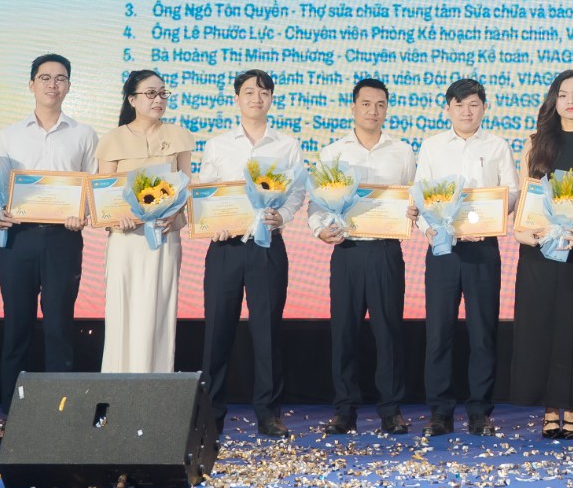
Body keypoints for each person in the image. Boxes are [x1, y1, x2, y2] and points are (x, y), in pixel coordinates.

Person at [195, 68, 303, 440]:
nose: (257, 99)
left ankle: (268, 414)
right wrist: (212, 224)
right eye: (249, 92)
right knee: (217, 331)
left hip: (267, 245)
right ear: (236, 98)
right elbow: (206, 192)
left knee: (267, 331)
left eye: (264, 93)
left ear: (271, 98)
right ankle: (210, 413)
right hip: (224, 246)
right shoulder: (217, 145)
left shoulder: (287, 145)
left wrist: (282, 215)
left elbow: (297, 192)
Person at [0, 53, 99, 399]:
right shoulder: (9, 135)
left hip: (63, 239)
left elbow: (92, 188)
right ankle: (14, 410)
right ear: (31, 85)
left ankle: (59, 412)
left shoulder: (84, 135)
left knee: (59, 327)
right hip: (18, 239)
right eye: (45, 77)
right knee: (16, 328)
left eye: (60, 78)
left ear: (68, 86)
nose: (53, 84)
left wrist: (82, 212)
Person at [415, 78, 517, 434]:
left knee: (482, 332)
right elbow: (419, 195)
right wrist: (428, 227)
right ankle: (439, 411)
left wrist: (492, 213)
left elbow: (513, 193)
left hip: (483, 248)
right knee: (438, 332)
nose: (467, 111)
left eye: (474, 104)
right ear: (448, 109)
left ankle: (479, 411)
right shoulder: (431, 147)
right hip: (443, 249)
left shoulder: (498, 146)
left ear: (484, 108)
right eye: (459, 105)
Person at [510, 68, 573, 439]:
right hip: (538, 252)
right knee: (541, 327)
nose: (570, 101)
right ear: (554, 101)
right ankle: (550, 409)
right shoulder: (536, 143)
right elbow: (526, 195)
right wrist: (523, 231)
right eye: (563, 94)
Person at [319, 75, 414, 436]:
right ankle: (345, 409)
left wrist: (414, 212)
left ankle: (391, 409)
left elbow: (412, 196)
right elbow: (318, 203)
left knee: (388, 332)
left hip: (386, 251)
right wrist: (320, 229)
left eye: (380, 105)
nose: (373, 111)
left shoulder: (402, 152)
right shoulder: (333, 153)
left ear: (386, 109)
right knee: (344, 332)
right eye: (366, 104)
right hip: (347, 251)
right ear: (353, 107)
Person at [98, 68, 192, 375]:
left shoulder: (179, 135)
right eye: (151, 93)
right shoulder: (112, 140)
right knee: (123, 312)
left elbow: (187, 188)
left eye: (163, 93)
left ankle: (156, 388)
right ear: (132, 99)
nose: (158, 99)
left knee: (158, 312)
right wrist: (116, 218)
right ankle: (118, 389)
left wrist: (175, 215)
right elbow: (103, 193)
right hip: (125, 241)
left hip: (163, 239)